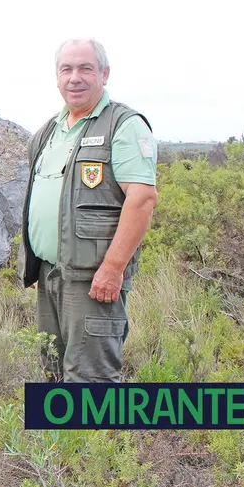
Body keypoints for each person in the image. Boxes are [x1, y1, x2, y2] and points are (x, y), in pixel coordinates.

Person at [18, 38, 159, 383]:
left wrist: (112, 269)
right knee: (53, 371)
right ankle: (61, 439)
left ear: (104, 74)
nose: (75, 78)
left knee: (90, 378)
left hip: (93, 280)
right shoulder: (48, 132)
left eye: (85, 68)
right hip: (51, 274)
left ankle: (98, 439)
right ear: (57, 77)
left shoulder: (123, 126)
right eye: (66, 69)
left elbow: (142, 199)